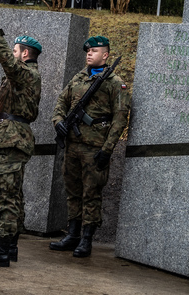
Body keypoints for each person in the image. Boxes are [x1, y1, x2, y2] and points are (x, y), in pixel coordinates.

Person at [0, 13, 42, 268]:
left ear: (25, 54)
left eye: (14, 50)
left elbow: (7, 64)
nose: (11, 53)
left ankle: (2, 250)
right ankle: (9, 246)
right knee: (12, 195)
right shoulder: (21, 77)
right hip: (8, 138)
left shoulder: (26, 74)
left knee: (5, 197)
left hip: (12, 142)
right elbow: (5, 111)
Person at [50, 35, 130, 257]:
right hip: (73, 145)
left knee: (91, 194)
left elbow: (120, 118)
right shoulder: (78, 78)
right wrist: (58, 122)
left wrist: (107, 149)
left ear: (105, 55)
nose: (89, 54)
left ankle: (86, 239)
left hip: (95, 148)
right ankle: (72, 234)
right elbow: (61, 103)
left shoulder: (115, 83)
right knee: (73, 191)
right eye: (88, 51)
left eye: (94, 51)